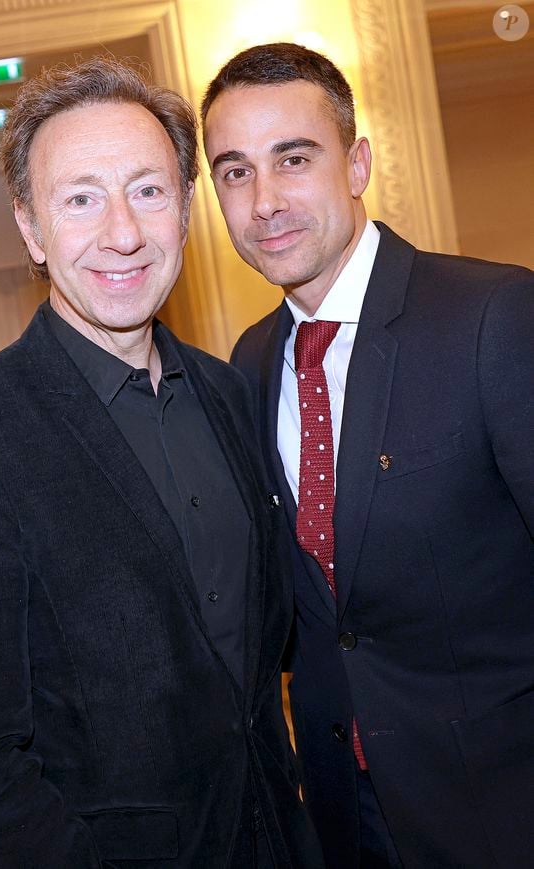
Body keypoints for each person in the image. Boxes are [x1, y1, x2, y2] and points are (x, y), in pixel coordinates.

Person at [0, 57, 324, 869]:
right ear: (29, 227)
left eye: (148, 191)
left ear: (185, 211)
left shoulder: (230, 392)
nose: (122, 232)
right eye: (81, 198)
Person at [201, 42, 534, 869]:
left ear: (357, 164)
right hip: (345, 820)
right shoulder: (245, 365)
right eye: (235, 172)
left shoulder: (491, 316)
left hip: (504, 805)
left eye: (293, 158)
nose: (265, 200)